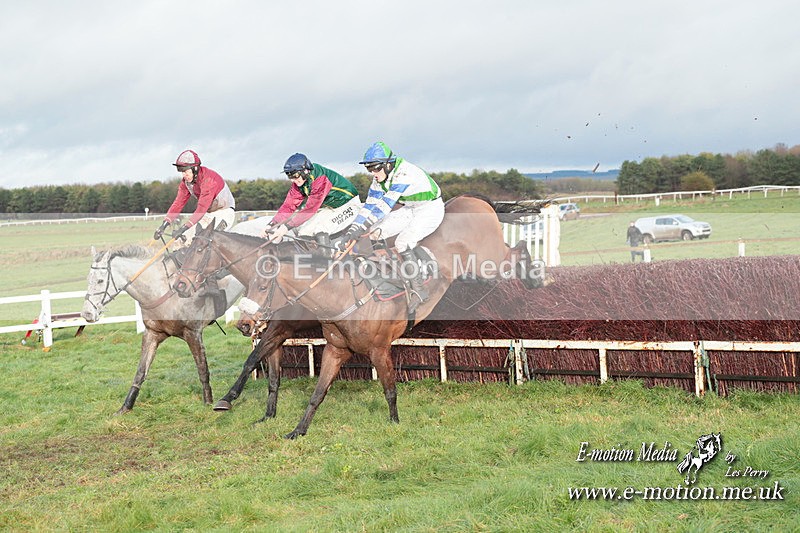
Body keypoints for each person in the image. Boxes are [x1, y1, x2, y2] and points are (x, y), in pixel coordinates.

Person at [337, 141, 444, 311]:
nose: (373, 173)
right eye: (369, 169)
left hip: (430, 209)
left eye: (376, 168)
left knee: (403, 242)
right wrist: (352, 230)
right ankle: (385, 271)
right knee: (374, 233)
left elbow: (385, 206)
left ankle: (419, 290)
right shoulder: (379, 180)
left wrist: (361, 227)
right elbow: (369, 206)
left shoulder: (403, 173)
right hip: (410, 208)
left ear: (388, 164)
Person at [263, 153, 360, 251]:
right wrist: (272, 224)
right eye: (290, 177)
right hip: (333, 208)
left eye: (295, 176)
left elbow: (310, 209)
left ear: (305, 171)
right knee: (304, 231)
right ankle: (310, 260)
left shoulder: (320, 179)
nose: (293, 180)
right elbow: (288, 206)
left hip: (350, 205)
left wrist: (286, 227)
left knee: (321, 229)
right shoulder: (299, 182)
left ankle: (324, 262)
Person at [153, 150, 236, 245]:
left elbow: (201, 208)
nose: (184, 175)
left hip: (224, 212)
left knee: (204, 242)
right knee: (182, 241)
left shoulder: (209, 180)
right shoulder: (185, 183)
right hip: (208, 214)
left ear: (195, 168)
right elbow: (178, 203)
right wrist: (164, 224)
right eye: (182, 172)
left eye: (186, 171)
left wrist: (183, 227)